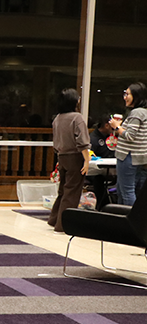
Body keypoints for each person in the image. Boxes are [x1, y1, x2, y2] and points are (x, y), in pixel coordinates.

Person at [47, 89, 90, 233]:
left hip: (62, 156)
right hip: (75, 157)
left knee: (63, 191)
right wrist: (87, 160)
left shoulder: (57, 118)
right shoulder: (77, 118)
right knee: (72, 191)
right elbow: (82, 141)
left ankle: (54, 219)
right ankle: (64, 224)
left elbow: (55, 141)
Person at [109, 83, 147, 206]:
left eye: (127, 94)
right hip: (138, 157)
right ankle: (123, 219)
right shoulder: (143, 112)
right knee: (123, 190)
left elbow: (130, 136)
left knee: (127, 191)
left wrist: (117, 126)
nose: (125, 97)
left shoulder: (137, 113)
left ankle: (132, 222)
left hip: (128, 156)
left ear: (136, 96)